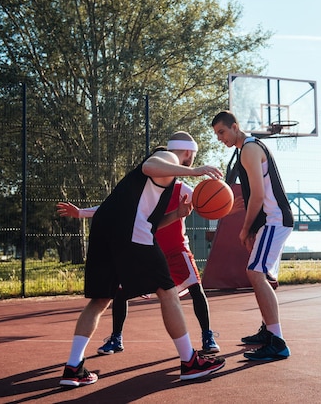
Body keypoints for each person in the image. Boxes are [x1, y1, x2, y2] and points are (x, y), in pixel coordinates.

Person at [58, 141, 225, 387]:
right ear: (188, 153)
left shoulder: (151, 188)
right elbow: (149, 165)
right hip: (131, 233)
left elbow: (151, 221)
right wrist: (194, 170)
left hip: (104, 230)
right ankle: (189, 362)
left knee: (101, 299)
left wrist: (177, 215)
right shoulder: (166, 158)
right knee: (168, 293)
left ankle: (73, 367)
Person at [210, 110, 293, 361]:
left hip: (275, 220)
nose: (220, 138)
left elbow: (258, 196)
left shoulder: (249, 149)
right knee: (262, 274)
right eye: (216, 135)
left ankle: (277, 341)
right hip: (271, 220)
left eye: (222, 132)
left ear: (235, 127)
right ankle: (269, 331)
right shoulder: (247, 149)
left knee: (254, 273)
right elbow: (257, 194)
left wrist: (245, 229)